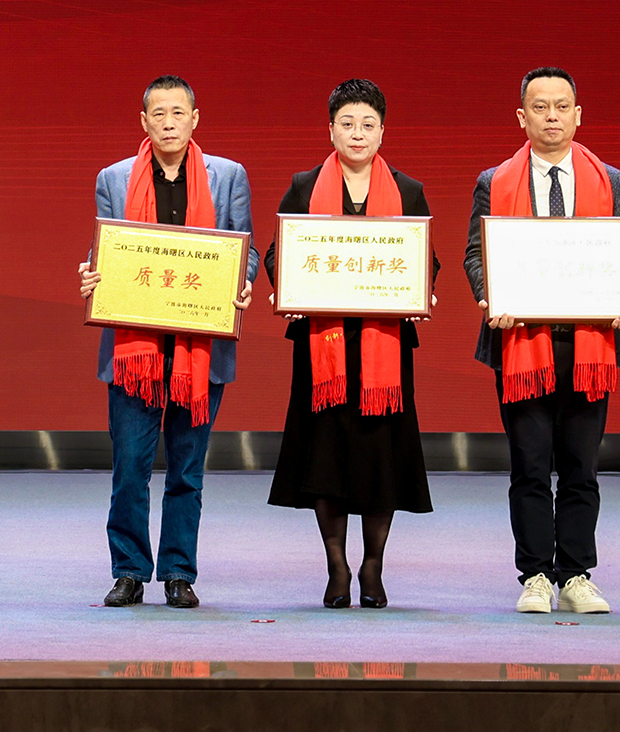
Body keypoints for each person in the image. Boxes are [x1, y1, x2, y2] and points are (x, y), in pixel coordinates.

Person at [463, 66, 620, 615]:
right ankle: (537, 574)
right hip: (520, 344)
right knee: (530, 466)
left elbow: (619, 254)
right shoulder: (494, 180)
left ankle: (577, 574)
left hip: (588, 345)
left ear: (578, 115)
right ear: (522, 117)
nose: (552, 117)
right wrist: (491, 295)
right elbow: (476, 254)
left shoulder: (609, 179)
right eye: (540, 107)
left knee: (582, 467)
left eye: (562, 107)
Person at [77, 75, 255, 609]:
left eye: (179, 113)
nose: (170, 123)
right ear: (144, 121)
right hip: (135, 351)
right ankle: (129, 570)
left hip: (200, 351)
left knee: (187, 472)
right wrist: (92, 275)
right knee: (130, 469)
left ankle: (179, 571)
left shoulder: (228, 176)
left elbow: (243, 250)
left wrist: (243, 281)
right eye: (159, 113)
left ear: (195, 119)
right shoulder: (114, 178)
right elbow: (107, 251)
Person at [265, 78, 435, 610]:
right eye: (347, 124)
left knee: (379, 457)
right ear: (331, 130)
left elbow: (425, 259)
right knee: (327, 458)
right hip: (323, 346)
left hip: (385, 344)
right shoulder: (304, 186)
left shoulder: (408, 189)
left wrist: (421, 291)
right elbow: (277, 253)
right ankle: (337, 566)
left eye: (368, 124)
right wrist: (287, 289)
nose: (357, 134)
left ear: (382, 131)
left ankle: (373, 566)